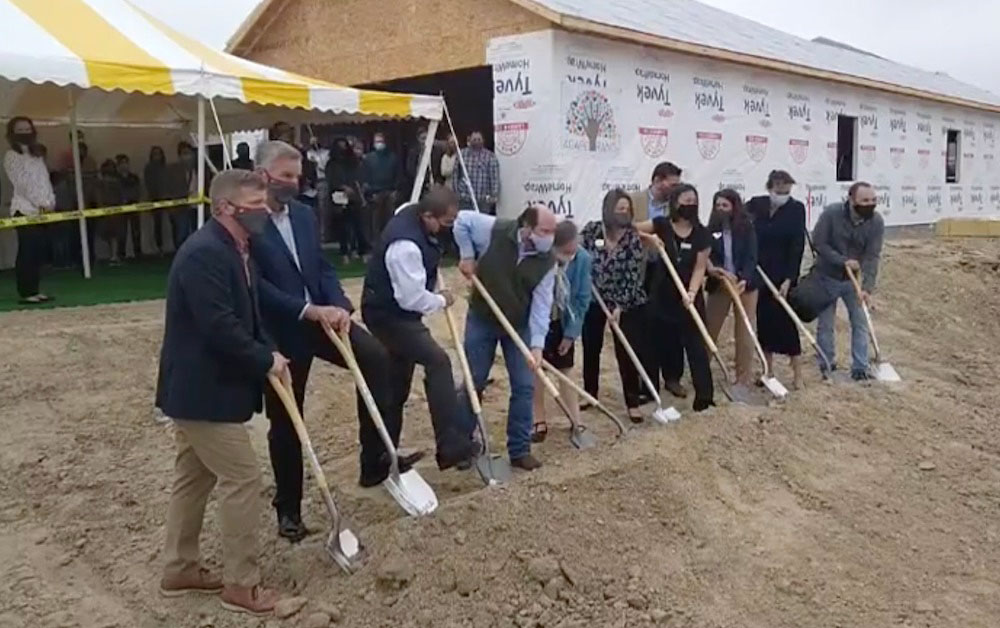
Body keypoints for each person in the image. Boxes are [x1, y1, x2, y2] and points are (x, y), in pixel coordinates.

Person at [249, 141, 421, 542]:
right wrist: (308, 311)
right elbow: (258, 288)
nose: (294, 182)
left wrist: (340, 303)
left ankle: (375, 459)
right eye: (286, 176)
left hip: (324, 321)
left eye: (297, 175)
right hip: (280, 331)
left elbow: (321, 268)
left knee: (378, 359)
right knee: (289, 420)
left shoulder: (306, 216)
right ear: (263, 176)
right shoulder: (251, 225)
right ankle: (288, 510)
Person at [156, 169, 288, 616]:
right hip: (202, 392)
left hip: (204, 390)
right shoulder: (205, 255)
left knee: (193, 477)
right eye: (255, 205)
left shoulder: (238, 249)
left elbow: (247, 316)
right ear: (225, 208)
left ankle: (179, 567)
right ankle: (241, 585)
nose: (265, 211)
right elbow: (219, 328)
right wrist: (264, 359)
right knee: (243, 478)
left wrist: (270, 351)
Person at [360, 186, 480, 469]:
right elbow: (411, 298)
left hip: (398, 312)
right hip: (388, 315)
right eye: (445, 222)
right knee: (438, 361)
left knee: (396, 384)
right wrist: (441, 299)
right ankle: (449, 445)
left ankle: (380, 457)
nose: (447, 228)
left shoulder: (409, 212)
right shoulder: (405, 246)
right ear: (427, 215)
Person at [455, 204, 556, 470]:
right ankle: (463, 445)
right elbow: (462, 220)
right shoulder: (496, 230)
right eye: (544, 231)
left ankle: (520, 450)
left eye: (553, 231)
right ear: (527, 228)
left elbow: (542, 305)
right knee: (473, 380)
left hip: (518, 325)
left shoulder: (547, 262)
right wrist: (467, 256)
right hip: (483, 317)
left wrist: (536, 346)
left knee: (524, 385)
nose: (550, 237)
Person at [637, 184, 715, 411]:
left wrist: (691, 293)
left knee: (696, 348)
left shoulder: (702, 233)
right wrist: (648, 239)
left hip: (689, 297)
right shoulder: (661, 225)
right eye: (685, 201)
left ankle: (704, 398)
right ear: (675, 203)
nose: (690, 205)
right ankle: (649, 391)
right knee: (654, 344)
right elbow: (632, 230)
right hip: (662, 294)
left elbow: (700, 267)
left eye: (694, 201)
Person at [581, 190, 649, 422]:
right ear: (609, 209)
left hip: (626, 302)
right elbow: (579, 254)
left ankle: (632, 402)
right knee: (591, 348)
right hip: (593, 299)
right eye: (620, 208)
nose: (624, 213)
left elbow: (634, 275)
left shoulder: (633, 239)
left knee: (626, 351)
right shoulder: (592, 231)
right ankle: (590, 394)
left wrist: (619, 305)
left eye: (627, 209)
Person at [812, 181, 885, 381]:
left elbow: (872, 256)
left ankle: (860, 368)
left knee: (860, 322)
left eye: (873, 200)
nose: (869, 204)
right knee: (826, 323)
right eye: (864, 200)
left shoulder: (876, 222)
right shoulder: (832, 214)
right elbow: (819, 242)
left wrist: (867, 288)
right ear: (851, 200)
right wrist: (842, 260)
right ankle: (826, 363)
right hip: (826, 276)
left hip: (854, 281)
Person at [532, 220, 591, 440]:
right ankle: (538, 420)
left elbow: (582, 299)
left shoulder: (583, 259)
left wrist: (570, 334)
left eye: (573, 249)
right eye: (565, 251)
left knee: (566, 369)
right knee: (537, 371)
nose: (570, 255)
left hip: (563, 321)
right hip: (538, 321)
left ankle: (576, 421)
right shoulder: (539, 259)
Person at [747, 170, 807, 388]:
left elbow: (797, 246)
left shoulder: (796, 209)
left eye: (786, 189)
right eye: (778, 188)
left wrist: (790, 278)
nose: (782, 192)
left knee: (787, 324)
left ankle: (798, 375)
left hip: (783, 275)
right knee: (764, 323)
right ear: (770, 187)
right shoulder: (755, 205)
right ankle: (768, 371)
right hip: (760, 272)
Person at [632, 162, 685, 399]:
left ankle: (673, 378)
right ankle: (646, 383)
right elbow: (624, 231)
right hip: (642, 270)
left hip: (667, 272)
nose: (675, 188)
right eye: (672, 184)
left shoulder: (678, 205)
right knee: (644, 329)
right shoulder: (634, 201)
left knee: (672, 327)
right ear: (657, 180)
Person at [704, 189, 758, 389]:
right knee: (710, 327)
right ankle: (702, 371)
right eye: (717, 206)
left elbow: (752, 257)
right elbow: (707, 256)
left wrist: (744, 278)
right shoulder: (709, 231)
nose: (721, 210)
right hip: (719, 285)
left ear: (734, 207)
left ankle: (743, 378)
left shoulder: (746, 228)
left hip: (745, 286)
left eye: (725, 206)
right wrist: (716, 271)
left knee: (744, 331)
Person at [4, 116, 55, 304]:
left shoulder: (36, 155)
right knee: (28, 251)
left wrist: (50, 201)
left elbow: (44, 180)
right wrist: (41, 201)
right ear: (12, 133)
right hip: (24, 210)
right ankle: (26, 292)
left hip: (42, 210)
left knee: (38, 251)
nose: (25, 132)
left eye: (27, 128)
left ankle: (35, 289)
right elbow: (23, 183)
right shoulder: (12, 156)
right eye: (20, 129)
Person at [326, 137, 367, 263]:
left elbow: (359, 176)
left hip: (355, 196)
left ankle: (359, 250)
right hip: (339, 197)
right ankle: (344, 251)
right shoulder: (331, 164)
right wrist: (342, 187)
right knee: (342, 226)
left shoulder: (353, 162)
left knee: (358, 225)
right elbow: (331, 180)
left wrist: (356, 189)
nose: (343, 149)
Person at [361, 131, 401, 242]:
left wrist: (395, 190)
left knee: (390, 219)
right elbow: (365, 176)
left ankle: (390, 239)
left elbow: (398, 174)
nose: (379, 143)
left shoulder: (393, 157)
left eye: (381, 141)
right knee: (375, 221)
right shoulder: (368, 158)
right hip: (375, 193)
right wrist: (369, 193)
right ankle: (376, 243)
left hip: (389, 191)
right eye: (377, 141)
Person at [456, 131, 500, 214]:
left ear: (483, 140)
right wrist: (456, 193)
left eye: (479, 139)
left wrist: (494, 195)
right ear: (470, 140)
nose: (477, 141)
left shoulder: (490, 156)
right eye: (474, 139)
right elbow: (456, 175)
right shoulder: (461, 154)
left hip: (483, 199)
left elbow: (494, 177)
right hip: (465, 198)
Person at [167, 141, 198, 249]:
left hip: (197, 206)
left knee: (196, 233)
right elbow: (170, 188)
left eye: (189, 153)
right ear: (179, 156)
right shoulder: (173, 170)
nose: (187, 157)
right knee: (181, 233)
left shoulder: (201, 169)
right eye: (184, 154)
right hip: (180, 207)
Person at [96, 159, 126, 265]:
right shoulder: (101, 184)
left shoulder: (116, 182)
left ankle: (114, 255)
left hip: (114, 210)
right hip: (107, 210)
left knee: (114, 235)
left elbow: (122, 196)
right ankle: (114, 254)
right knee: (109, 235)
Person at [116, 154, 143, 260]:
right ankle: (121, 254)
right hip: (121, 206)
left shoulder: (134, 178)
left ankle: (138, 252)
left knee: (136, 230)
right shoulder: (116, 178)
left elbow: (138, 190)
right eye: (121, 163)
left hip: (134, 204)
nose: (124, 165)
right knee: (121, 231)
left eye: (125, 162)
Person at [145, 145, 171, 254]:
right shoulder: (148, 168)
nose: (157, 156)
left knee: (172, 222)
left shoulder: (166, 167)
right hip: (155, 199)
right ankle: (159, 247)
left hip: (168, 197)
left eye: (159, 153)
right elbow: (148, 184)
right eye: (155, 154)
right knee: (157, 224)